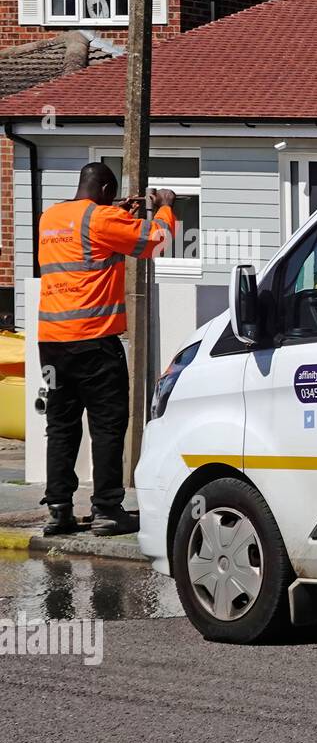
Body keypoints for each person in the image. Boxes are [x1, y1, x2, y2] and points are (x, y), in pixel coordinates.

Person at [37, 161, 176, 537]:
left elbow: (89, 235)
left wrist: (115, 211)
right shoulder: (100, 220)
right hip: (94, 342)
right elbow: (155, 241)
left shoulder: (49, 218)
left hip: (51, 344)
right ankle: (107, 509)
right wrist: (165, 206)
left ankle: (59, 510)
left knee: (61, 426)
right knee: (107, 425)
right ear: (103, 191)